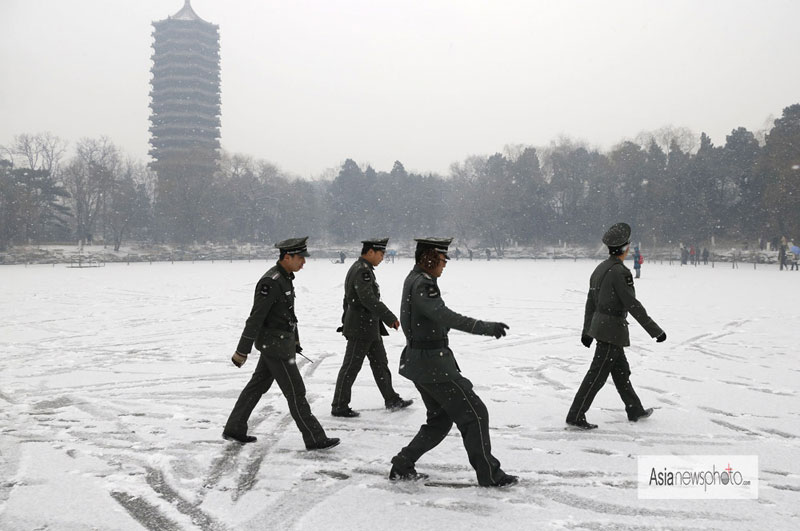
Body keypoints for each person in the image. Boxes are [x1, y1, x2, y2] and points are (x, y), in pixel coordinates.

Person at [389, 238, 518, 487]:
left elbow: (432, 317)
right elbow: (443, 315)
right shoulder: (423, 284)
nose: (445, 264)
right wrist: (484, 327)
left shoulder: (416, 279)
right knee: (475, 414)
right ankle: (489, 475)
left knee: (439, 421)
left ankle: (403, 463)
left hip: (420, 363)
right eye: (441, 259)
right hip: (433, 366)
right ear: (429, 259)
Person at [223, 237, 340, 450]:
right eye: (300, 258)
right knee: (296, 391)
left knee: (257, 386)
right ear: (287, 257)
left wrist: (295, 340)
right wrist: (242, 351)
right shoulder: (271, 282)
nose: (304, 262)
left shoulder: (285, 278)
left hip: (279, 344)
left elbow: (288, 315)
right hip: (275, 347)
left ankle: (234, 427)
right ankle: (314, 438)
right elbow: (256, 318)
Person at [566, 223, 666, 430]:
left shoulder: (600, 268)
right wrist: (655, 330)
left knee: (621, 372)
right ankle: (575, 415)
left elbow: (590, 302)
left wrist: (587, 330)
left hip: (602, 328)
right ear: (625, 248)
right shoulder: (620, 272)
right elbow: (632, 304)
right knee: (596, 376)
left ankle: (634, 409)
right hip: (611, 331)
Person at [331, 238, 412, 417]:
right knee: (351, 367)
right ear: (370, 252)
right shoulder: (362, 271)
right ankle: (339, 405)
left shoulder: (361, 268)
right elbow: (367, 299)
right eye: (381, 254)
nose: (382, 257)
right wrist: (389, 317)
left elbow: (348, 299)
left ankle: (391, 399)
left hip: (367, 326)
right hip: (361, 327)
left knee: (380, 364)